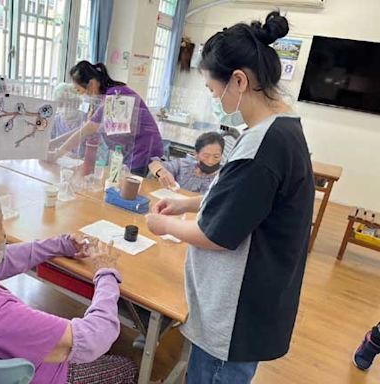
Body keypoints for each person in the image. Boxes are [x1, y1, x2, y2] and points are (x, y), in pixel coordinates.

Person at [145, 11, 314, 384]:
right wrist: (188, 204)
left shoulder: (263, 146)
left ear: (239, 80)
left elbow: (217, 235)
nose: (214, 98)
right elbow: (245, 204)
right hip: (253, 303)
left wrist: (163, 223)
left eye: (212, 89)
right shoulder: (279, 130)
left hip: (235, 313)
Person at [0, 181, 137, 384]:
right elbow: (95, 336)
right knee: (126, 367)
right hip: (37, 377)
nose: (4, 233)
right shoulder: (0, 317)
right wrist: (106, 273)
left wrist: (60, 244)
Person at [48, 61, 164, 177]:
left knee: (132, 189)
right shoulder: (108, 97)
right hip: (133, 152)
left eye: (79, 90)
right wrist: (55, 144)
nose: (81, 95)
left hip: (143, 152)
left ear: (92, 84)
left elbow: (85, 131)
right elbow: (84, 130)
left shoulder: (116, 95)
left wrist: (57, 154)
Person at [148, 132, 225, 193]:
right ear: (196, 154)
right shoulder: (183, 165)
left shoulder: (223, 177)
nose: (211, 161)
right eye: (206, 156)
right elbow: (153, 163)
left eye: (216, 157)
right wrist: (160, 171)